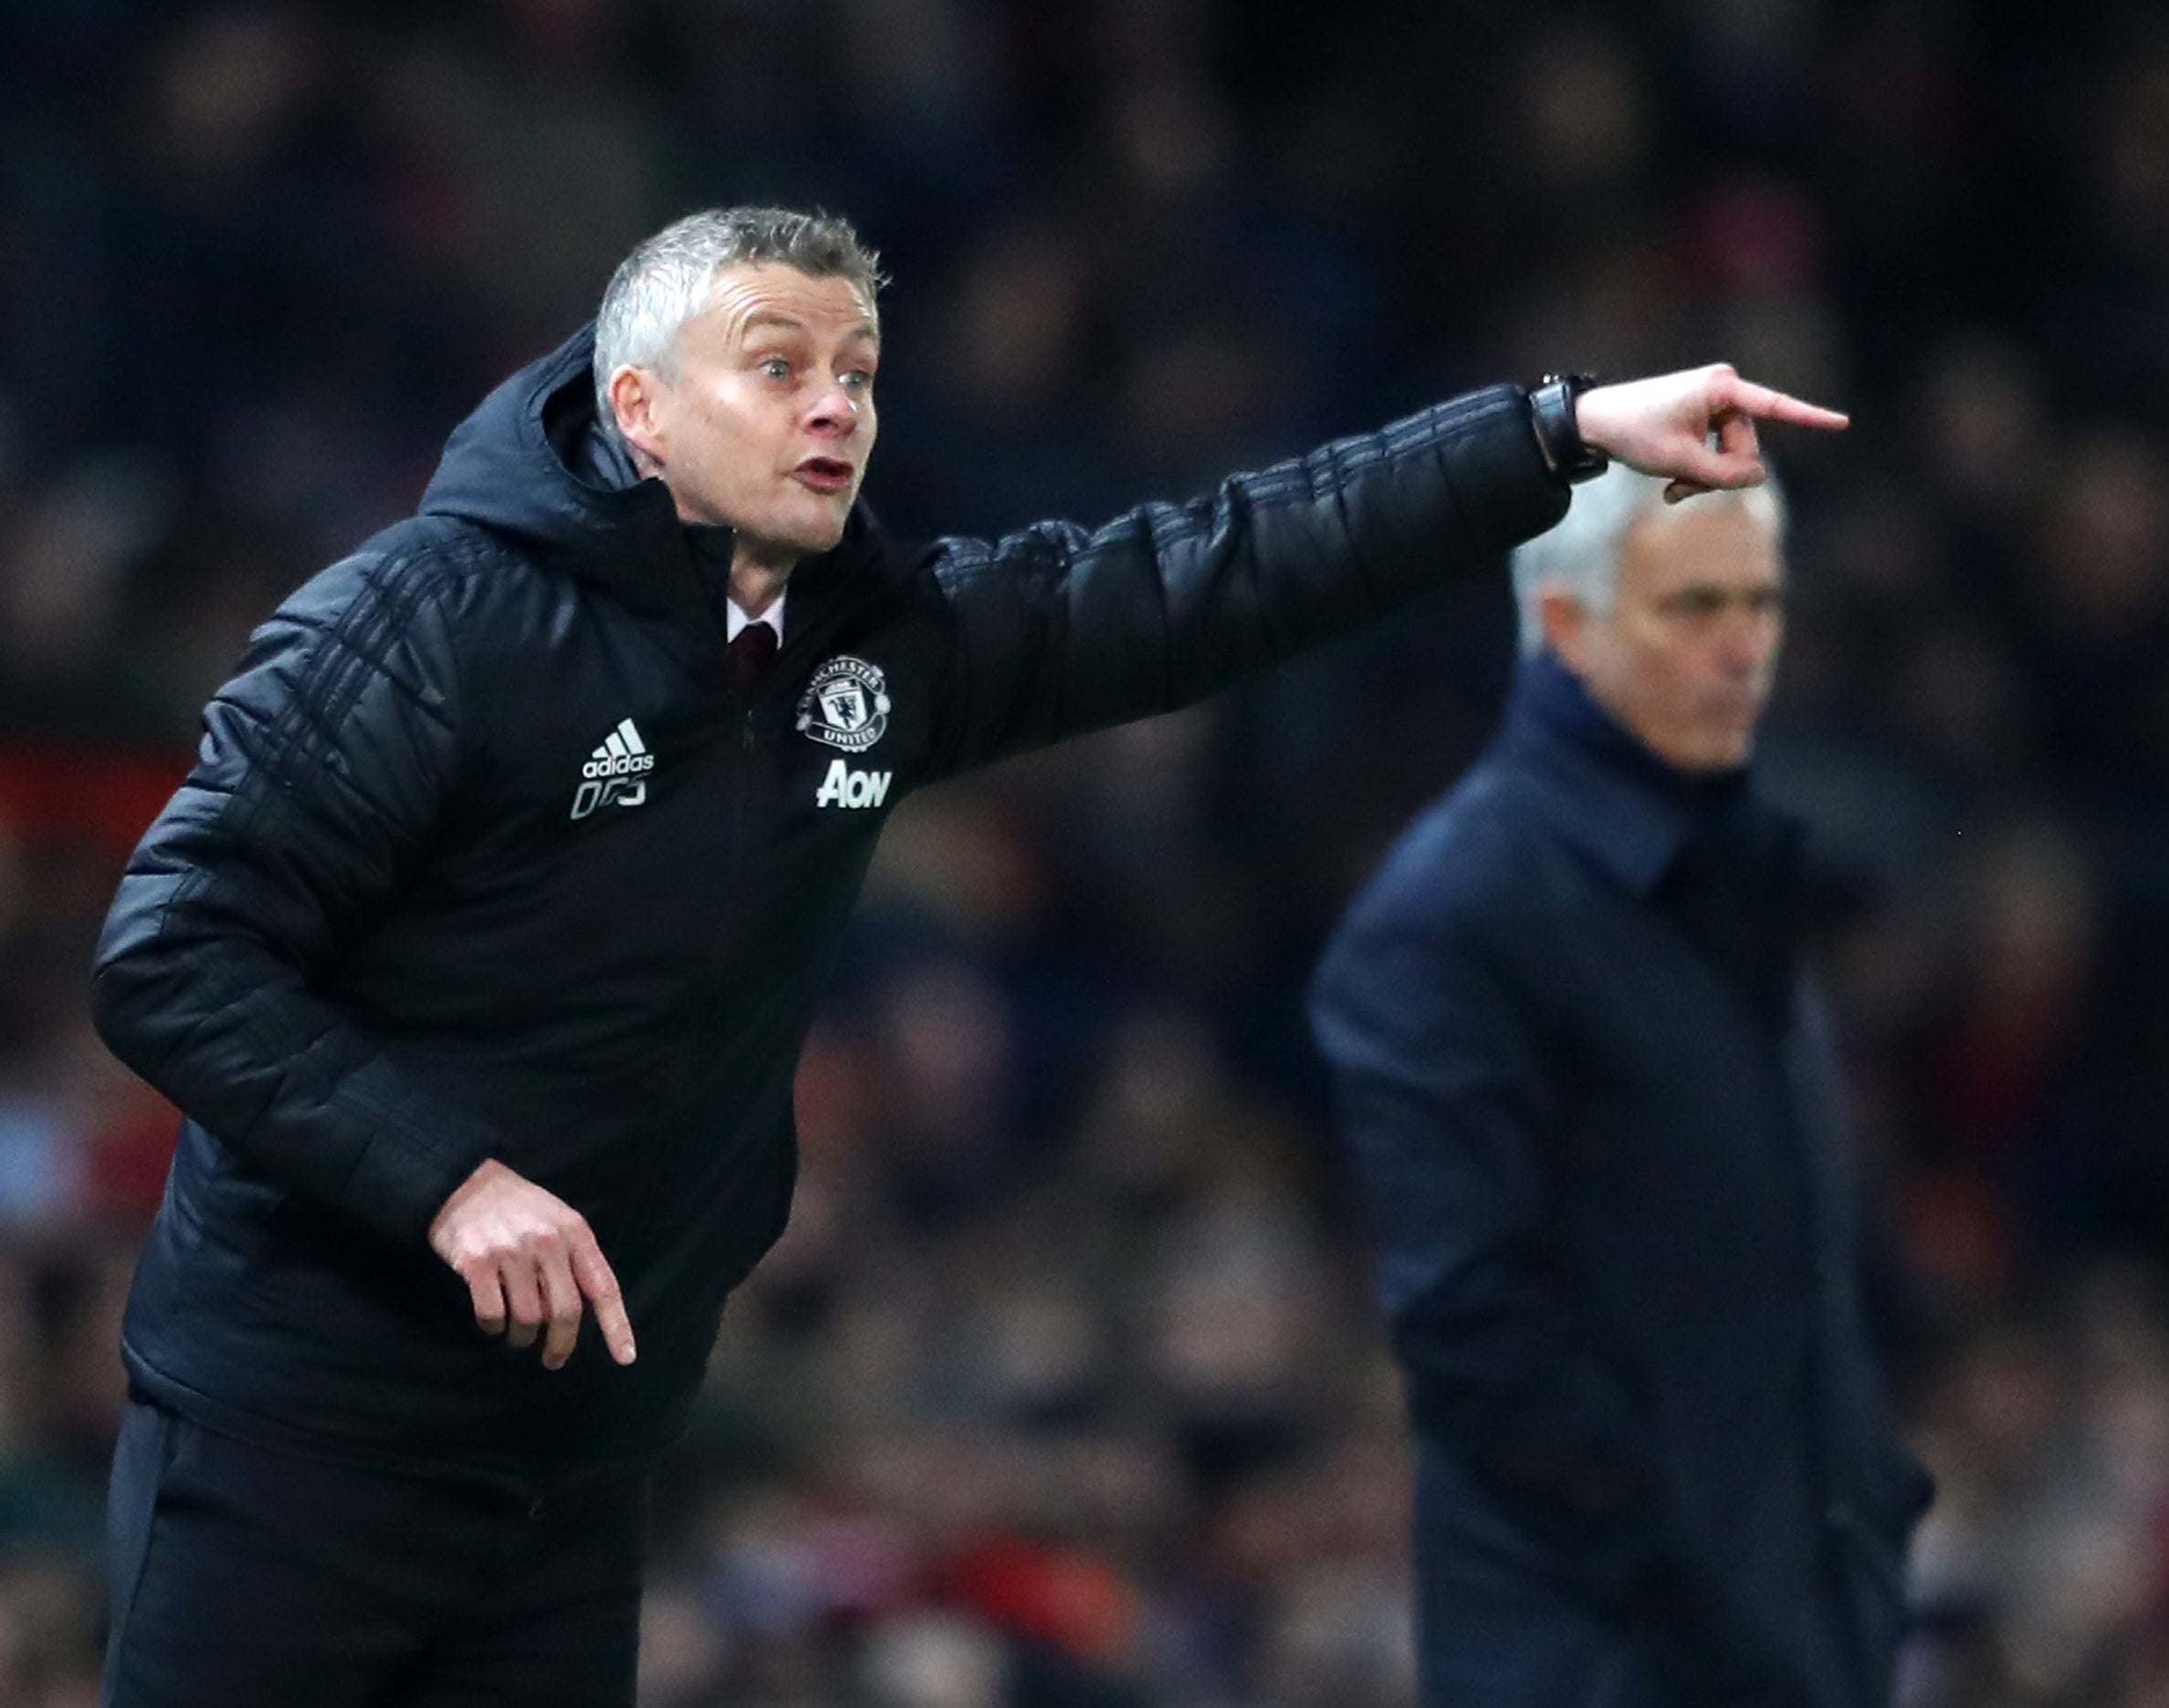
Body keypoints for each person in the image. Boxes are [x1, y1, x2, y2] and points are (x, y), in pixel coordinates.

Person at [89, 204, 1848, 1706]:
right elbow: (173, 948)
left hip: (570, 1451)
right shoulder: (426, 623)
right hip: (295, 1428)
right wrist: (446, 1179)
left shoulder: (877, 639)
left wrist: (1551, 435)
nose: (835, 405)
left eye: (855, 370)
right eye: (776, 366)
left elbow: (1210, 574)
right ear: (636, 408)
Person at [1308, 462, 1934, 1708]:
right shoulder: (1455, 914)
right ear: (1563, 626)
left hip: (1784, 1642)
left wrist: (1859, 1525)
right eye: (1694, 607)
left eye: (1760, 604)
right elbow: (1482, 1340)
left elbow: (1791, 1282)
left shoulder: (1720, 885)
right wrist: (1729, 1601)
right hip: (1608, 1664)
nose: (1743, 648)